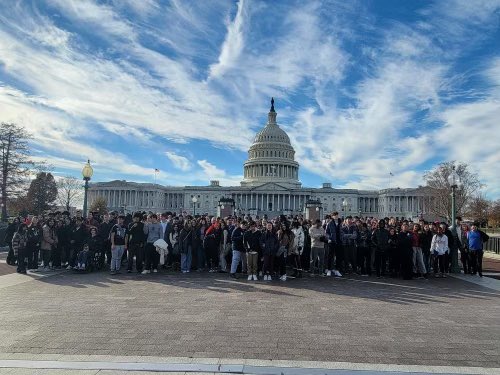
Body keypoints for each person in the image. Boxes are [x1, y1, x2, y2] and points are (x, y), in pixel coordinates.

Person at [325, 212, 342, 276]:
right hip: (332, 242)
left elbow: (342, 231)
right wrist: (329, 238)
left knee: (338, 257)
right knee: (330, 256)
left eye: (337, 215)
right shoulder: (329, 223)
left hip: (339, 241)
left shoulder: (341, 222)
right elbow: (326, 233)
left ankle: (337, 270)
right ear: (332, 216)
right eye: (335, 215)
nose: (336, 216)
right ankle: (329, 270)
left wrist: (342, 238)